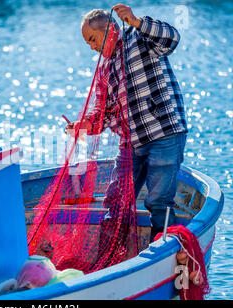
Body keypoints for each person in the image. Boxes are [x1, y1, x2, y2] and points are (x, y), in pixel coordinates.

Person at [66, 4, 188, 241]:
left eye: (92, 39)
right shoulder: (104, 69)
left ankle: (160, 252)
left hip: (164, 134)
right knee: (116, 201)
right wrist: (84, 125)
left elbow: (172, 37)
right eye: (88, 43)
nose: (91, 47)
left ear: (110, 29)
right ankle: (110, 257)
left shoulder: (140, 39)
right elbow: (104, 113)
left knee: (158, 202)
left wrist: (136, 21)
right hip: (131, 144)